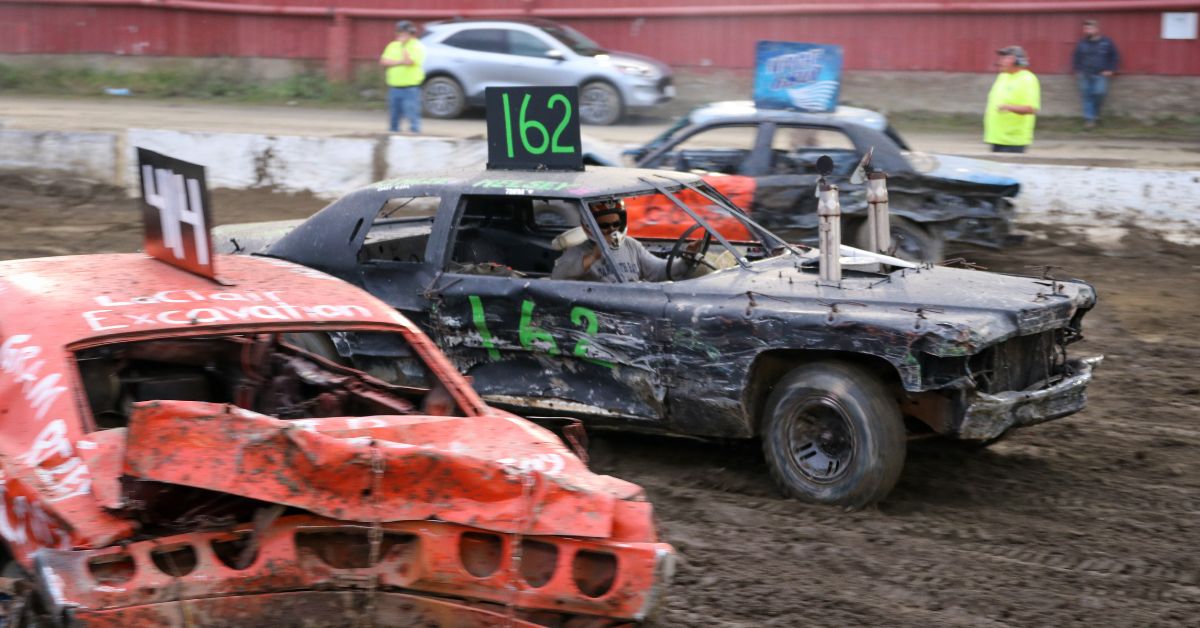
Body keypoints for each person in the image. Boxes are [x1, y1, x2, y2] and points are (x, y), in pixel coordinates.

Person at [552, 199, 699, 283]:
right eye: (605, 226)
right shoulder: (578, 251)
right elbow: (558, 276)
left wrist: (686, 260)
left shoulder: (631, 245)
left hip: (632, 305)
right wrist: (593, 256)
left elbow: (658, 270)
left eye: (616, 224)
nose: (612, 229)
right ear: (590, 226)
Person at [984, 45, 1041, 154]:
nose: (1001, 61)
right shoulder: (1002, 77)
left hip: (1013, 141)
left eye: (1006, 58)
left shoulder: (1027, 79)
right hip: (996, 138)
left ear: (1018, 61)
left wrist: (1008, 107)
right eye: (1001, 58)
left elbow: (1031, 108)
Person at [379, 20, 426, 134]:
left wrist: (403, 47)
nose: (400, 35)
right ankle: (393, 132)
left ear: (411, 33)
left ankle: (414, 132)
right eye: (399, 33)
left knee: (411, 112)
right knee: (394, 114)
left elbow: (409, 61)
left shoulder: (416, 46)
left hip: (410, 86)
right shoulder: (392, 45)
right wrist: (400, 62)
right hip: (395, 86)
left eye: (404, 33)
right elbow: (384, 61)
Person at [1072, 19, 1120, 130]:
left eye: (1089, 28)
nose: (1087, 31)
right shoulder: (1081, 43)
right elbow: (1076, 57)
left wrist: (1110, 69)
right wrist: (1077, 70)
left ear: (1097, 29)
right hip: (1085, 74)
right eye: (1085, 29)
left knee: (1099, 94)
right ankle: (1089, 120)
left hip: (1101, 75)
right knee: (1087, 97)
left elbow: (1115, 56)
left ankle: (1095, 115)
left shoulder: (1107, 42)